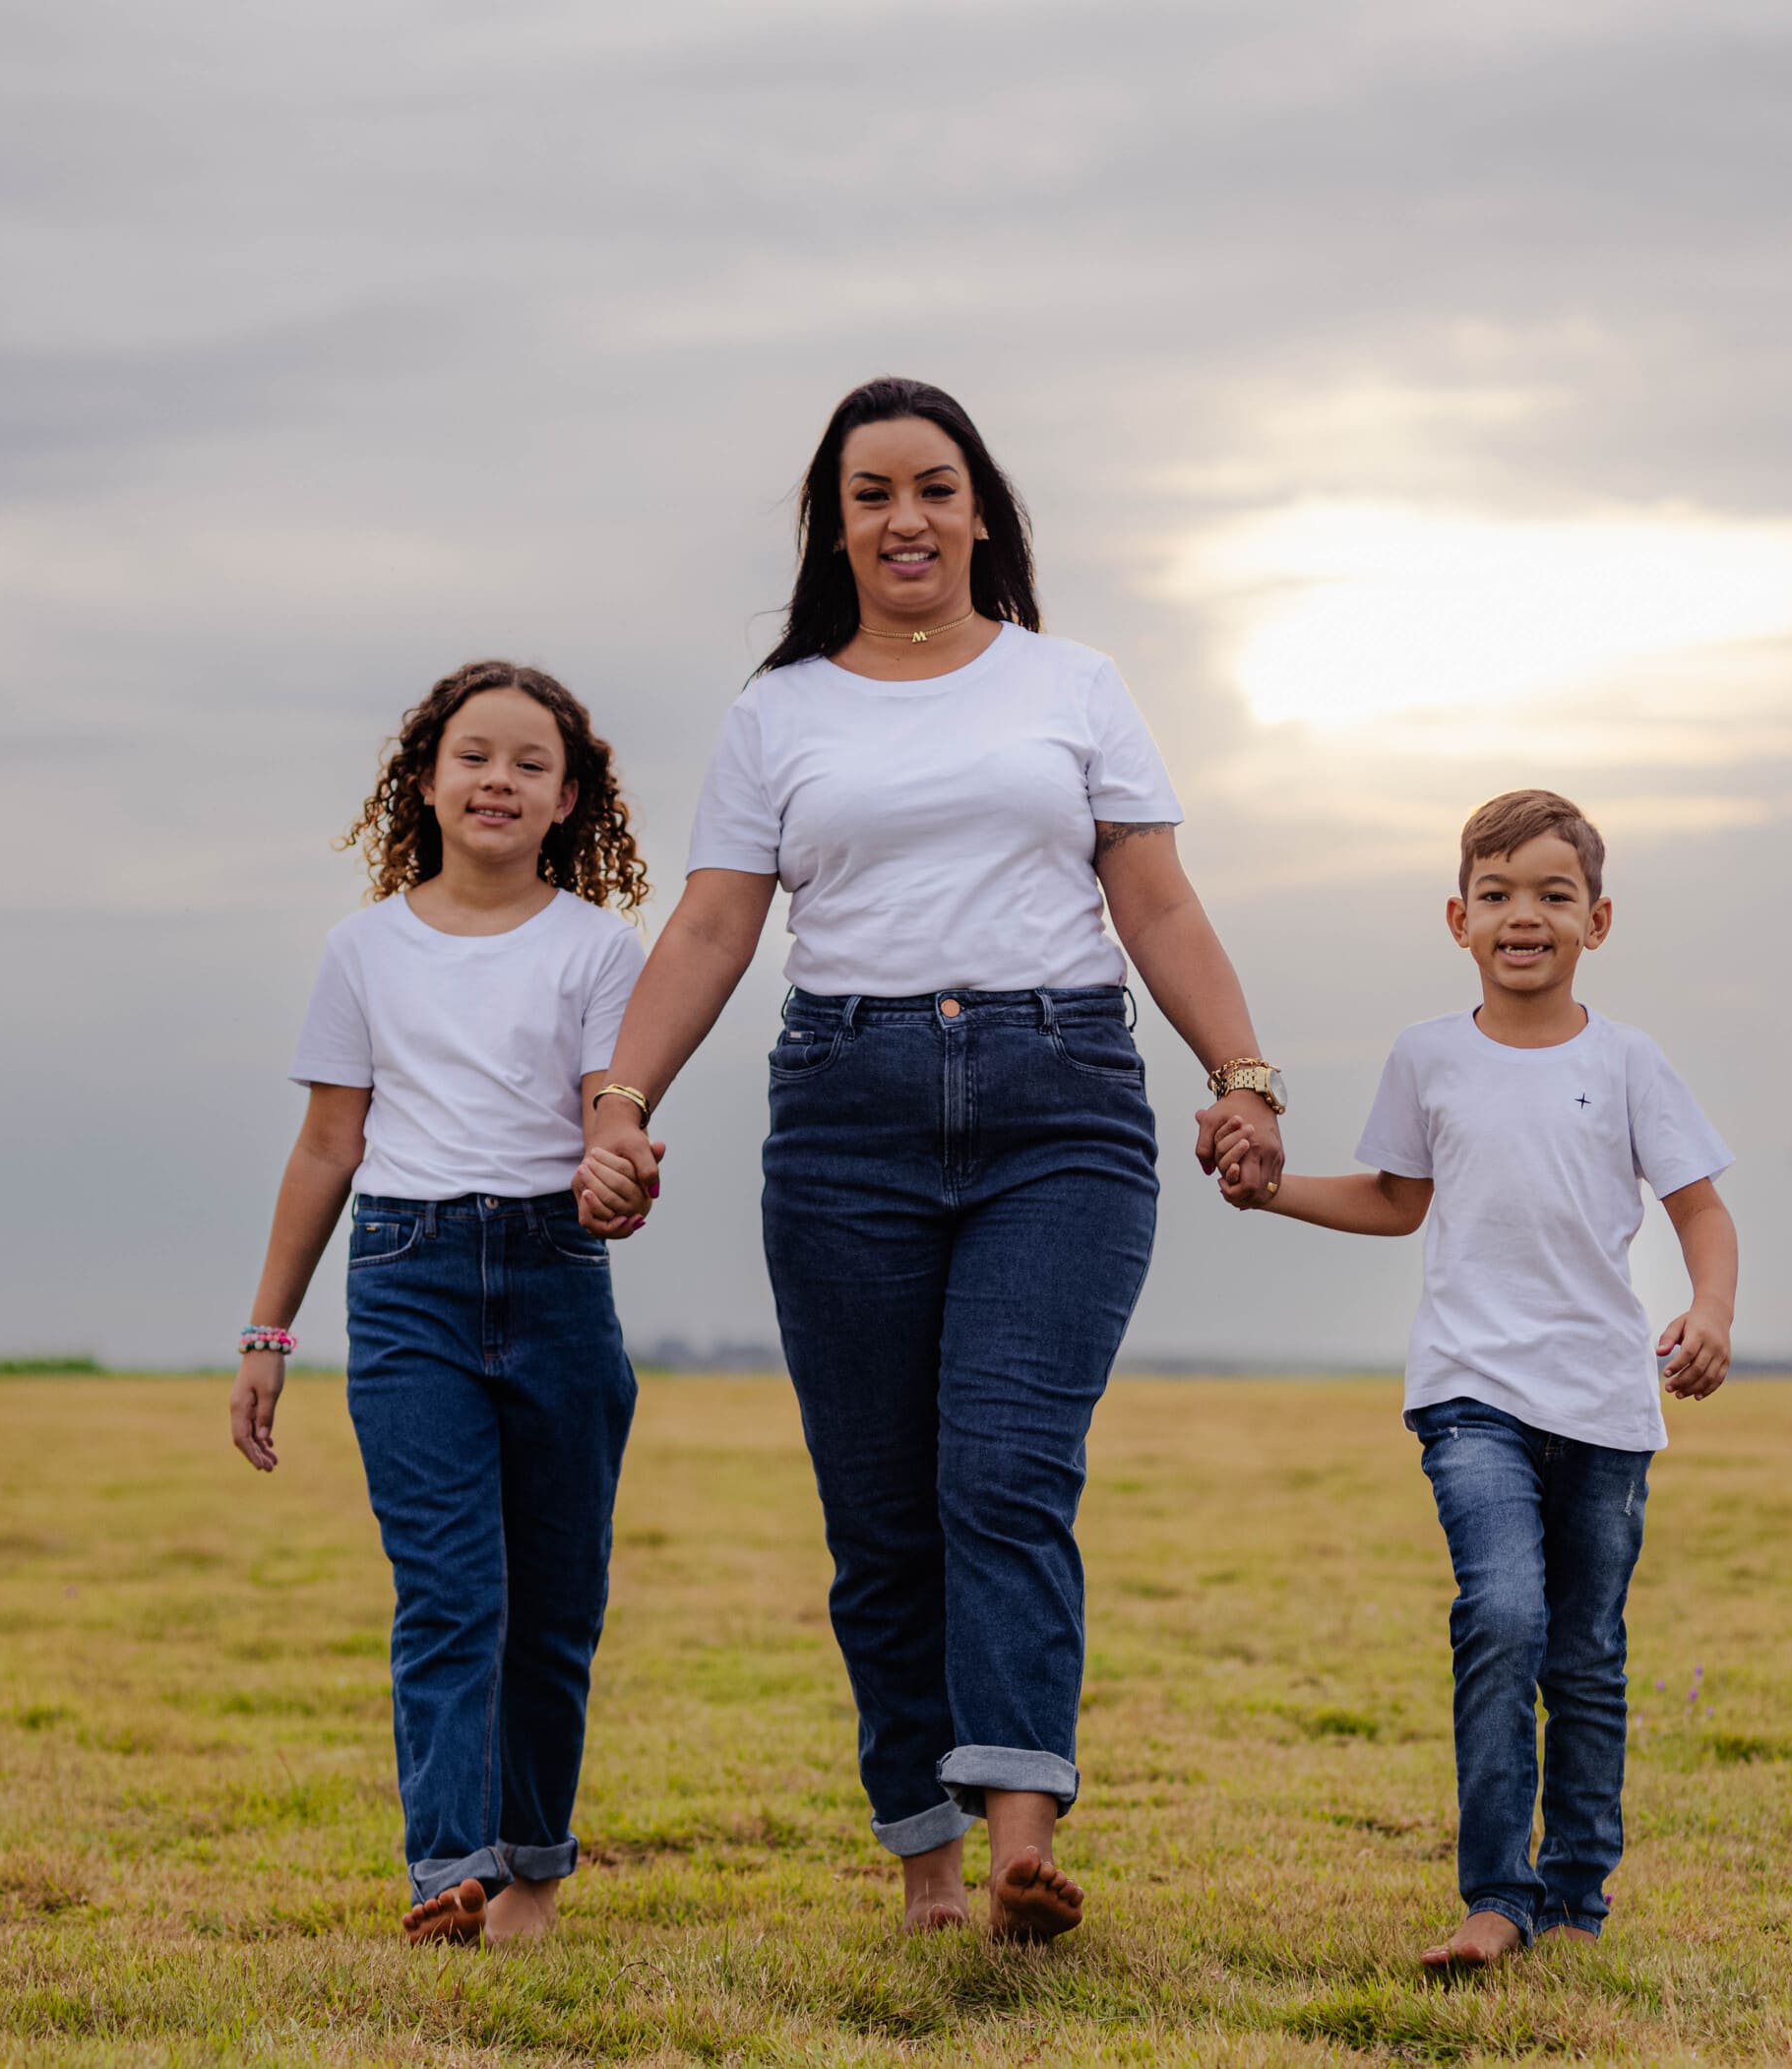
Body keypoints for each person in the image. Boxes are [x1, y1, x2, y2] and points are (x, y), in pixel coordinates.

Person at [578, 376, 1288, 1942]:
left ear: (982, 512)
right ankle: (926, 1863)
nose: (907, 518)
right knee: (881, 1511)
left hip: (1062, 1107)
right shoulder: (781, 713)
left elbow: (1156, 901)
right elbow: (710, 924)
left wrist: (1239, 1073)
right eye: (872, 495)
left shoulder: (1075, 684)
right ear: (835, 529)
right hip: (848, 1112)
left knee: (1006, 1467)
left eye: (935, 488)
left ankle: (1024, 1827)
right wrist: (620, 1096)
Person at [1213, 788, 1739, 1970]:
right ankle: (1495, 1896)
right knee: (1502, 1614)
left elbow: (1702, 1210)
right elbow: (1398, 1199)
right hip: (1469, 1394)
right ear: (1458, 917)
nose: (1524, 916)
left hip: (1604, 1400)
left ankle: (1576, 1896)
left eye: (1554, 895)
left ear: (1598, 920)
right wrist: (1270, 1189)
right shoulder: (1428, 1056)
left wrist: (1709, 1310)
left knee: (1585, 1650)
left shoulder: (1630, 1061)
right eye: (1498, 894)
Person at [227, 659, 660, 1949]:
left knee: (555, 1603)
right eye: (475, 754)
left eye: (531, 763)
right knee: (448, 1590)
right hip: (406, 1278)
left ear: (568, 798)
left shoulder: (599, 946)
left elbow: (608, 1109)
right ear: (424, 776)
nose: (498, 780)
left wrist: (619, 1170)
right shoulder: (363, 947)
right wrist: (268, 1332)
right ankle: (447, 1868)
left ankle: (530, 1868)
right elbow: (325, 1146)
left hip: (555, 1278)